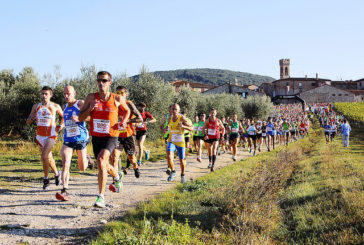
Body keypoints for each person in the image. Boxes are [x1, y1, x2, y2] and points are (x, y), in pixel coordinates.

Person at [78, 71, 130, 208]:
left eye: (104, 81)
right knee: (103, 164)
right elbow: (80, 118)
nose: (101, 83)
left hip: (112, 135)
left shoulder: (117, 98)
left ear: (110, 83)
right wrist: (90, 109)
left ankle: (100, 197)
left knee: (101, 160)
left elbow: (127, 111)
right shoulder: (91, 98)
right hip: (97, 136)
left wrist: (124, 121)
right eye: (99, 80)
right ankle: (117, 176)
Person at [55, 85, 91, 201]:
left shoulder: (80, 103)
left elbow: (90, 117)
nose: (66, 96)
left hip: (81, 139)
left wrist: (80, 118)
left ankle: (87, 157)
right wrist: (61, 125)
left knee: (82, 168)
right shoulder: (64, 106)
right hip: (68, 139)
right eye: (64, 94)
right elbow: (65, 120)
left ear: (74, 93)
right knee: (65, 164)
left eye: (68, 93)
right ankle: (64, 190)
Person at [26, 86, 63, 190]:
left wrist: (61, 125)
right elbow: (28, 121)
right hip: (40, 136)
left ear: (50, 95)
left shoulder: (55, 106)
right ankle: (56, 173)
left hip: (51, 135)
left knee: (44, 156)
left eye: (46, 94)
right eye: (42, 94)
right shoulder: (36, 106)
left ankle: (46, 180)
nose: (43, 96)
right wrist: (31, 119)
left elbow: (64, 117)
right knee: (48, 158)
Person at [110, 86, 143, 186]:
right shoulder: (113, 104)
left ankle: (135, 166)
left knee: (131, 157)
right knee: (114, 157)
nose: (119, 95)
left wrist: (127, 120)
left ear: (126, 94)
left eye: (122, 93)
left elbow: (140, 119)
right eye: (117, 93)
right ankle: (115, 181)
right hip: (117, 135)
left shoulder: (129, 104)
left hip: (128, 135)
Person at [164, 104, 193, 183]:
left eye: (176, 109)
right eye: (172, 109)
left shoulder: (182, 118)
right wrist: (166, 129)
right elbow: (169, 127)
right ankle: (173, 171)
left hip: (180, 142)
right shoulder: (169, 118)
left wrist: (183, 126)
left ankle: (182, 175)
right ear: (170, 110)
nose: (174, 110)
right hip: (171, 141)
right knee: (169, 156)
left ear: (179, 110)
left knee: (182, 161)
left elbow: (191, 128)